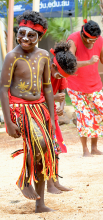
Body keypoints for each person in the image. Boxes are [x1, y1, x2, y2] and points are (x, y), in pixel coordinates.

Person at [0, 11, 56, 213]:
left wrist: (51, 117)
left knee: (44, 153)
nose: (24, 38)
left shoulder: (43, 55)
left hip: (40, 109)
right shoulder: (12, 56)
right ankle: (24, 180)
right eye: (21, 33)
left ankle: (40, 204)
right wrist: (8, 121)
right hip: (19, 108)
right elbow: (3, 90)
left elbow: (48, 87)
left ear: (39, 37)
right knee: (39, 144)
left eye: (31, 35)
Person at [67, 19, 103, 157]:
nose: (92, 42)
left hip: (94, 84)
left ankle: (94, 148)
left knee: (100, 114)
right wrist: (88, 62)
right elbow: (70, 63)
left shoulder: (99, 40)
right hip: (76, 86)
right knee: (84, 117)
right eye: (90, 40)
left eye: (94, 40)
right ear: (82, 34)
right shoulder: (73, 40)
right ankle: (85, 150)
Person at [47, 42, 77, 194]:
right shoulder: (42, 69)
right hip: (39, 114)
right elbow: (33, 96)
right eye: (58, 74)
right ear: (53, 65)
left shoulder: (60, 73)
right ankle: (49, 185)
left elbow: (62, 94)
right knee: (45, 149)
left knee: (55, 149)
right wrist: (53, 98)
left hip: (52, 115)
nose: (59, 77)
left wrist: (61, 106)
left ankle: (55, 181)